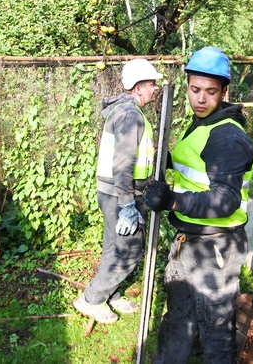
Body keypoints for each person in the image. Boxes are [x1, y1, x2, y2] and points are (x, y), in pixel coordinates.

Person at [145, 47, 253, 364]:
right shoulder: (202, 124)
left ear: (224, 91)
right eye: (195, 90)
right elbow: (195, 168)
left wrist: (172, 200)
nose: (201, 99)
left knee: (216, 334)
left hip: (216, 249)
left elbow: (226, 199)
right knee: (177, 317)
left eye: (210, 91)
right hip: (188, 240)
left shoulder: (227, 137)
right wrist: (165, 162)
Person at [73, 59, 163, 324]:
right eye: (151, 84)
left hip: (114, 193)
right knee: (130, 251)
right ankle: (91, 299)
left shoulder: (125, 110)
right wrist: (127, 205)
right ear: (137, 88)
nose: (155, 88)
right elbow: (123, 165)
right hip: (121, 195)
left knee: (114, 247)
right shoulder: (130, 115)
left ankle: (110, 295)